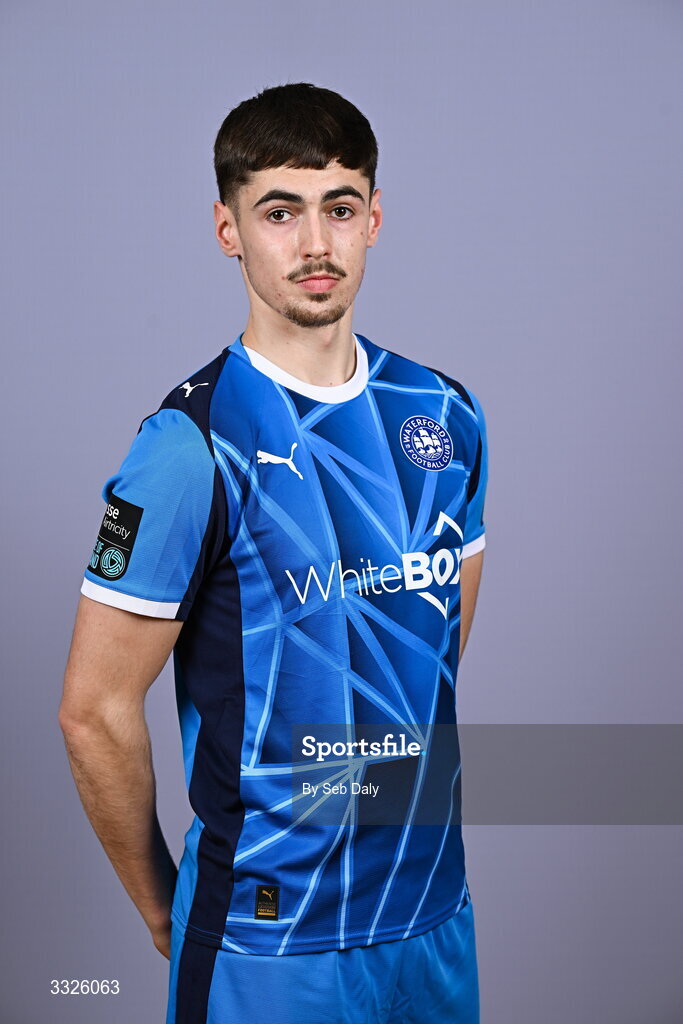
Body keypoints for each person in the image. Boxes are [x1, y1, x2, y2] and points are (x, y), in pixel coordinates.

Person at [59, 82, 488, 1024]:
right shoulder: (188, 445)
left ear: (374, 218)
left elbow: (436, 650)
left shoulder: (445, 416)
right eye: (279, 212)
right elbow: (92, 712)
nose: (314, 244)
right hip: (273, 943)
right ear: (228, 229)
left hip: (432, 918)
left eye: (339, 209)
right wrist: (167, 912)